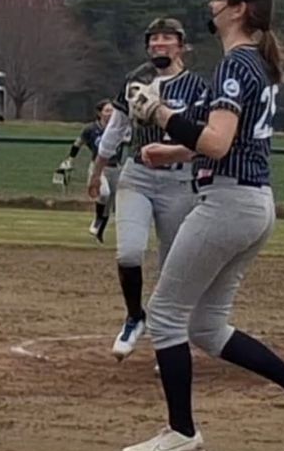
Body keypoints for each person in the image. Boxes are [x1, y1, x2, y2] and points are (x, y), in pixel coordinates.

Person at [122, 0, 284, 451]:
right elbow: (227, 140)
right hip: (253, 202)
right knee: (205, 326)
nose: (212, 4)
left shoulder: (235, 65)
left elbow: (219, 143)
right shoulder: (255, 62)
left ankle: (182, 433)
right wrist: (173, 150)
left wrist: (160, 113)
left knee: (165, 315)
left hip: (227, 203)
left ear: (240, 9)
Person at [88, 18, 208, 360]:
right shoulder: (136, 82)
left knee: (172, 264)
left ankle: (170, 337)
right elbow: (116, 128)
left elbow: (204, 136)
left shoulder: (197, 87)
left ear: (181, 45)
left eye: (167, 38)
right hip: (138, 174)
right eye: (153, 38)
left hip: (179, 180)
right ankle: (134, 316)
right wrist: (97, 170)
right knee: (128, 252)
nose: (159, 43)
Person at [55, 99, 125, 243]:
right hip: (99, 167)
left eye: (112, 111)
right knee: (104, 193)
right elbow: (77, 144)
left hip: (115, 168)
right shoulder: (91, 129)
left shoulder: (118, 127)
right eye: (107, 110)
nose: (110, 113)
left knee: (109, 204)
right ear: (99, 113)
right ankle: (98, 220)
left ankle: (100, 233)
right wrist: (70, 159)